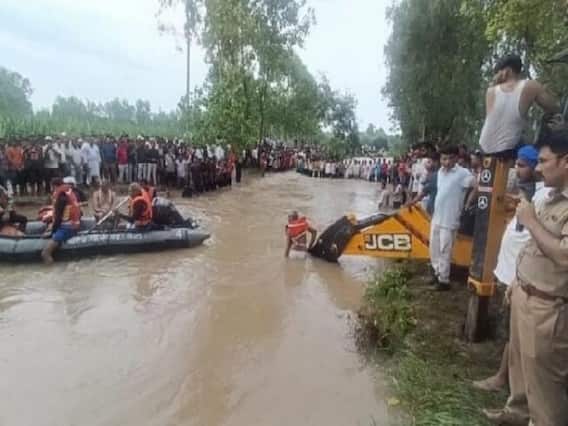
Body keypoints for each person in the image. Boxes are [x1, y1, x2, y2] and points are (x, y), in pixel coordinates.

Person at [483, 129, 568, 426]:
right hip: (524, 293)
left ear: (566, 161)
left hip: (548, 308)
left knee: (545, 385)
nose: (538, 168)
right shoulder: (548, 197)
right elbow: (533, 246)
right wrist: (517, 282)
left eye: (543, 161)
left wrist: (530, 221)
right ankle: (516, 413)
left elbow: (564, 256)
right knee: (520, 366)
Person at [473, 145, 546, 394]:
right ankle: (509, 378)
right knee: (509, 331)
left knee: (513, 333)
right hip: (507, 274)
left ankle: (503, 380)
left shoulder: (544, 198)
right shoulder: (530, 194)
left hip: (518, 277)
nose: (517, 169)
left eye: (522, 165)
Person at [479, 54, 559, 154]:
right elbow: (554, 107)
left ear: (507, 70)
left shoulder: (490, 91)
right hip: (509, 150)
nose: (496, 76)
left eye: (498, 72)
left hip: (484, 149)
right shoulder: (531, 85)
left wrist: (495, 83)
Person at [429, 146, 475, 291]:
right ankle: (437, 273)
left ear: (456, 158)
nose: (447, 162)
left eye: (450, 158)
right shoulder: (440, 172)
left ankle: (444, 281)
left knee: (445, 250)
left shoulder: (463, 173)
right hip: (437, 217)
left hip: (450, 219)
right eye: (444, 159)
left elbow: (477, 186)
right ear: (440, 159)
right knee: (434, 249)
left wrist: (467, 204)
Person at [41, 178, 81, 264]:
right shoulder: (68, 193)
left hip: (66, 229)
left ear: (54, 186)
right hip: (72, 225)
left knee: (45, 253)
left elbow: (58, 218)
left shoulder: (61, 197)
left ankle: (52, 271)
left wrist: (53, 231)